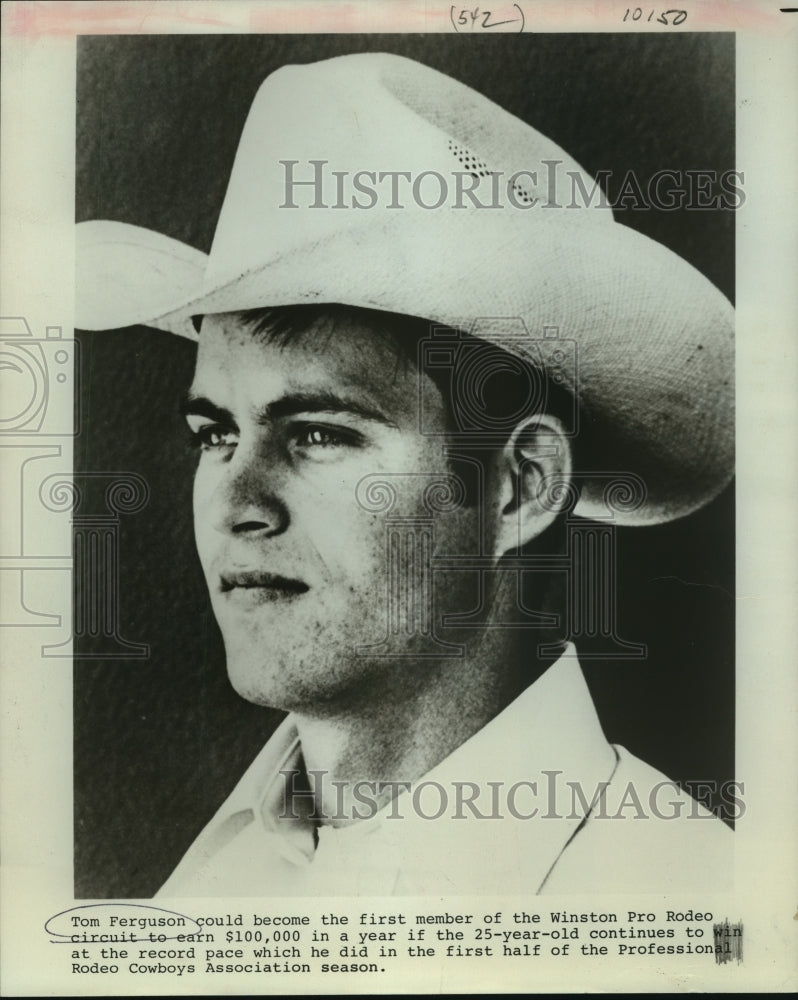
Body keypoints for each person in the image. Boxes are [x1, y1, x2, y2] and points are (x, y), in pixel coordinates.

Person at [76, 52, 735, 896]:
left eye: (316, 433)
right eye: (215, 434)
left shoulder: (688, 903)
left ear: (520, 486)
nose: (237, 504)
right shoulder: (211, 884)